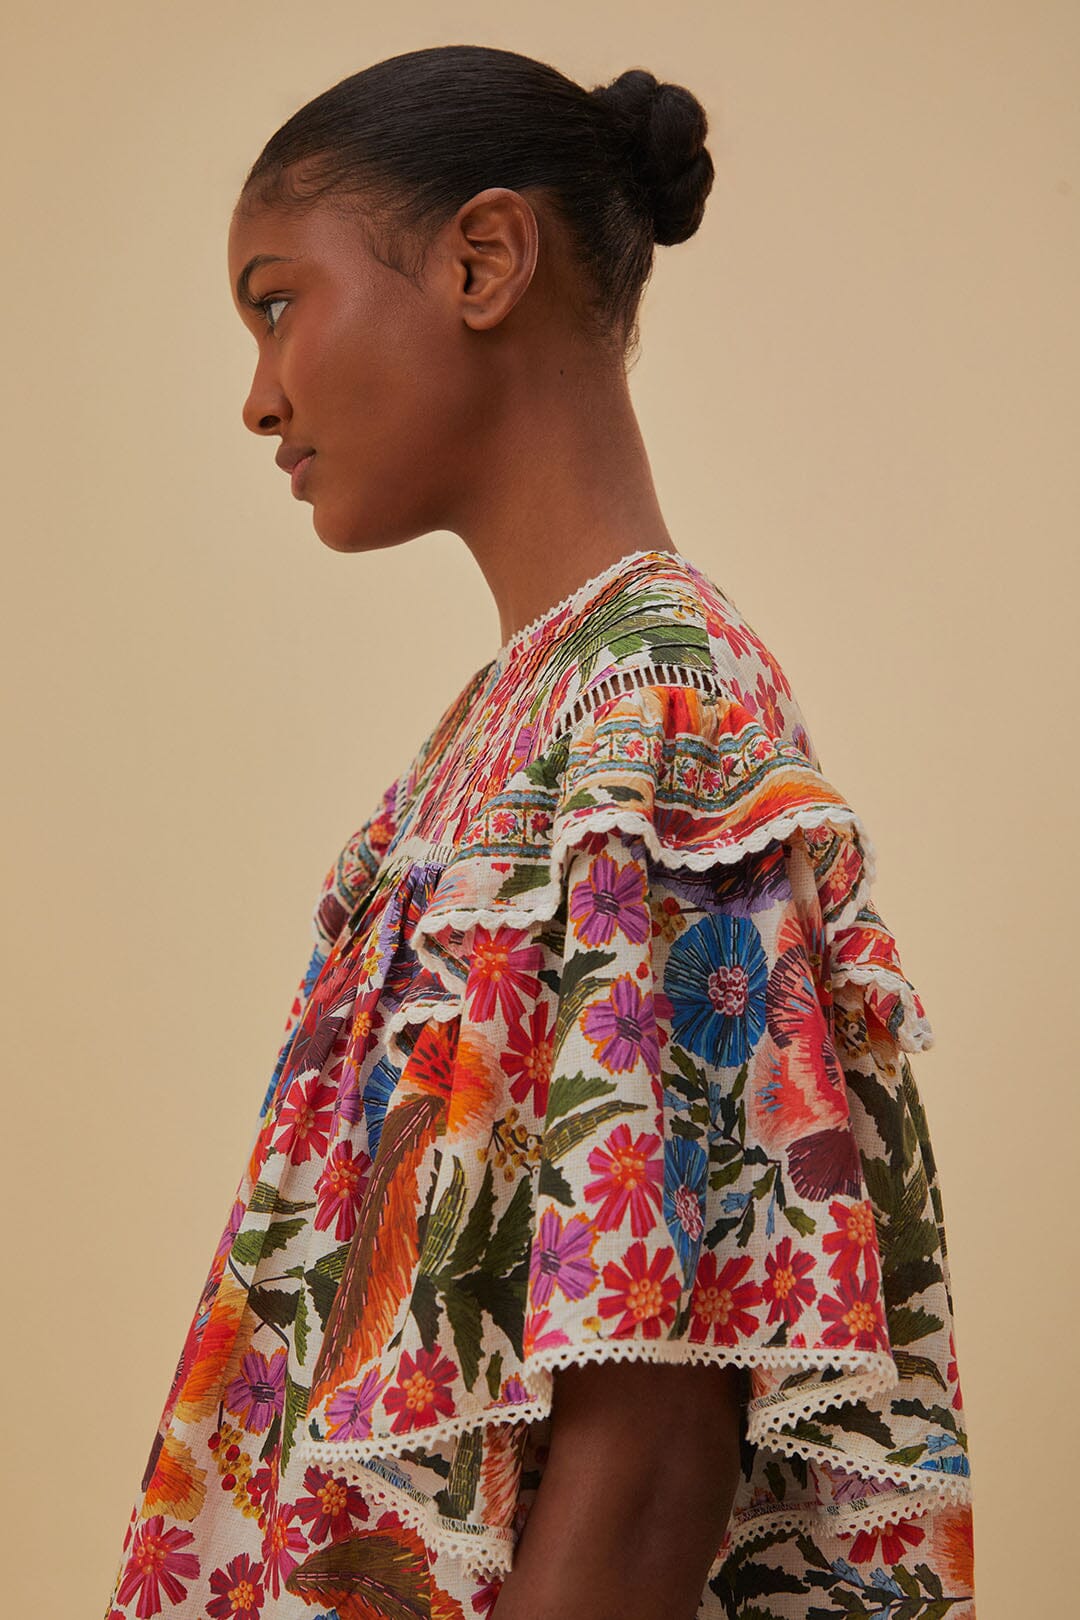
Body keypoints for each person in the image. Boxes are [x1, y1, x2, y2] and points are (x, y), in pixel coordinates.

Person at [104, 44, 975, 1620]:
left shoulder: (657, 714)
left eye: (278, 301)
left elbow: (653, 1443)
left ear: (484, 260)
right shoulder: (518, 720)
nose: (259, 396)